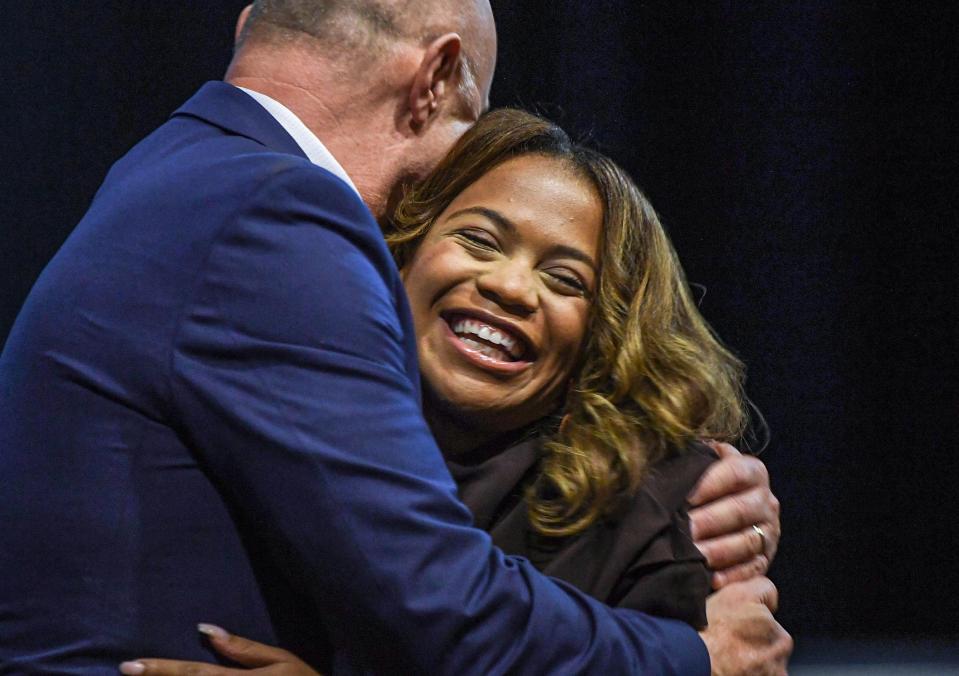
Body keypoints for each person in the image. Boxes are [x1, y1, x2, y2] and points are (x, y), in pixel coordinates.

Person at [0, 2, 787, 674]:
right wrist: (694, 660)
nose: (511, 288)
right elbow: (434, 598)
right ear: (437, 75)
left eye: (566, 278)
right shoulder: (280, 214)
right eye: (479, 238)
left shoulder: (175, 171)